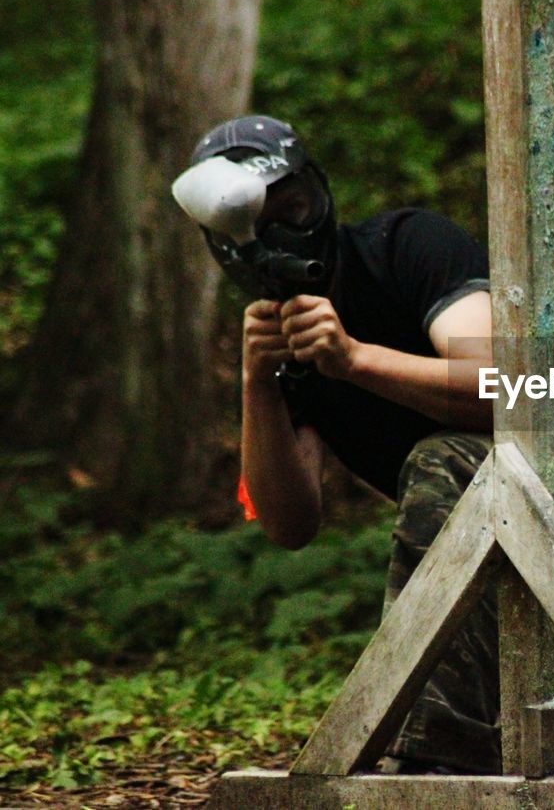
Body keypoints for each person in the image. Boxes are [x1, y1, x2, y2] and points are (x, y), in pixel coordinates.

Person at [172, 115, 501, 774]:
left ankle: (438, 759)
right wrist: (259, 385)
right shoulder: (282, 340)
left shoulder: (408, 246)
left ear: (320, 194)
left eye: (295, 205)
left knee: (437, 462)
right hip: (491, 551)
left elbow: (509, 391)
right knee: (437, 472)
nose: (287, 232)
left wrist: (354, 360)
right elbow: (290, 524)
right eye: (265, 220)